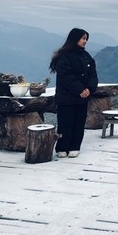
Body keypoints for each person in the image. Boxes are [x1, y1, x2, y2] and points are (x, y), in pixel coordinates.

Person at [49, 28, 99, 159]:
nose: (85, 41)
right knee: (65, 123)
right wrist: (80, 90)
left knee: (79, 123)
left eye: (86, 39)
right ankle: (62, 147)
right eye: (83, 38)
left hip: (82, 98)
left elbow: (93, 75)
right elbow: (66, 77)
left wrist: (89, 89)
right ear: (75, 39)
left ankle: (75, 146)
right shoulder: (64, 57)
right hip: (66, 98)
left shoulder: (87, 57)